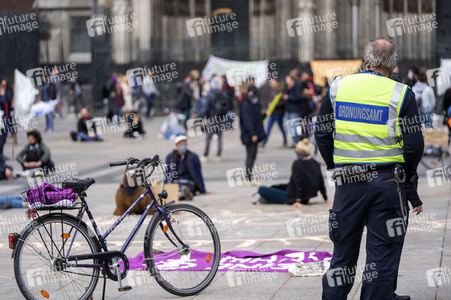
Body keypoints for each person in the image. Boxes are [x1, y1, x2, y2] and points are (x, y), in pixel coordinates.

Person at [315, 37, 424, 300]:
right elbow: (414, 146)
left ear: (365, 59)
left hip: (348, 183)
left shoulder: (338, 87)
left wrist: (336, 165)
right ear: (393, 63)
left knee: (343, 251)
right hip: (387, 183)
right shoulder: (401, 93)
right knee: (383, 251)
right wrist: (407, 181)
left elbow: (321, 133)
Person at [257, 139, 327, 207]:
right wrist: (325, 198)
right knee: (276, 187)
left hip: (292, 197)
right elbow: (321, 182)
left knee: (262, 189)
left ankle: (267, 199)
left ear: (299, 152)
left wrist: (298, 200)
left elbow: (298, 183)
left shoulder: (297, 164)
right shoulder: (315, 163)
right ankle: (267, 199)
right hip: (305, 198)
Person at [165, 135, 206, 200]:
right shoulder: (170, 157)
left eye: (184, 144)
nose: (183, 146)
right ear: (176, 146)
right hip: (175, 182)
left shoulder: (193, 156)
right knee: (174, 189)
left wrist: (203, 190)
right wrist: (165, 186)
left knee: (186, 188)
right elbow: (167, 173)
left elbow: (199, 173)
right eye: (181, 144)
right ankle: (182, 194)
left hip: (188, 182)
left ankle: (182, 194)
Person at [239, 83, 266, 185]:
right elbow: (248, 120)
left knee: (253, 155)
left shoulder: (254, 103)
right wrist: (253, 133)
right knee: (250, 155)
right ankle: (248, 177)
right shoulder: (246, 104)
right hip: (250, 134)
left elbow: (256, 118)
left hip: (254, 133)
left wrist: (263, 115)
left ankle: (250, 176)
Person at [201, 77, 227, 163]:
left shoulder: (210, 94)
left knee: (208, 138)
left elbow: (206, 108)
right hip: (220, 118)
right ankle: (218, 155)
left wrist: (206, 118)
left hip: (212, 118)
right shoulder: (222, 94)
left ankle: (205, 155)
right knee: (219, 138)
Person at [262, 78, 287, 147]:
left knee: (281, 128)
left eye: (273, 82)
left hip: (278, 113)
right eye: (271, 82)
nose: (272, 83)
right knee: (268, 128)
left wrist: (274, 104)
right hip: (272, 113)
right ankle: (263, 142)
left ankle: (285, 141)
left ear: (277, 83)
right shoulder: (271, 91)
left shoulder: (280, 91)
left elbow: (282, 103)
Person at [283, 74, 302, 146]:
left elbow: (298, 98)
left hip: (294, 110)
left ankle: (296, 142)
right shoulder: (288, 88)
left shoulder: (296, 88)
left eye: (288, 80)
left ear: (292, 80)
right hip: (288, 110)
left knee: (293, 127)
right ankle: (295, 141)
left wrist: (288, 97)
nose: (287, 81)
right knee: (286, 125)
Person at [0, 77, 13, 157]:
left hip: (6, 118)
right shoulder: (2, 97)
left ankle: (1, 154)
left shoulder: (8, 91)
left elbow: (8, 100)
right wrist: (2, 95)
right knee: (1, 139)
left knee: (4, 138)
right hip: (1, 121)